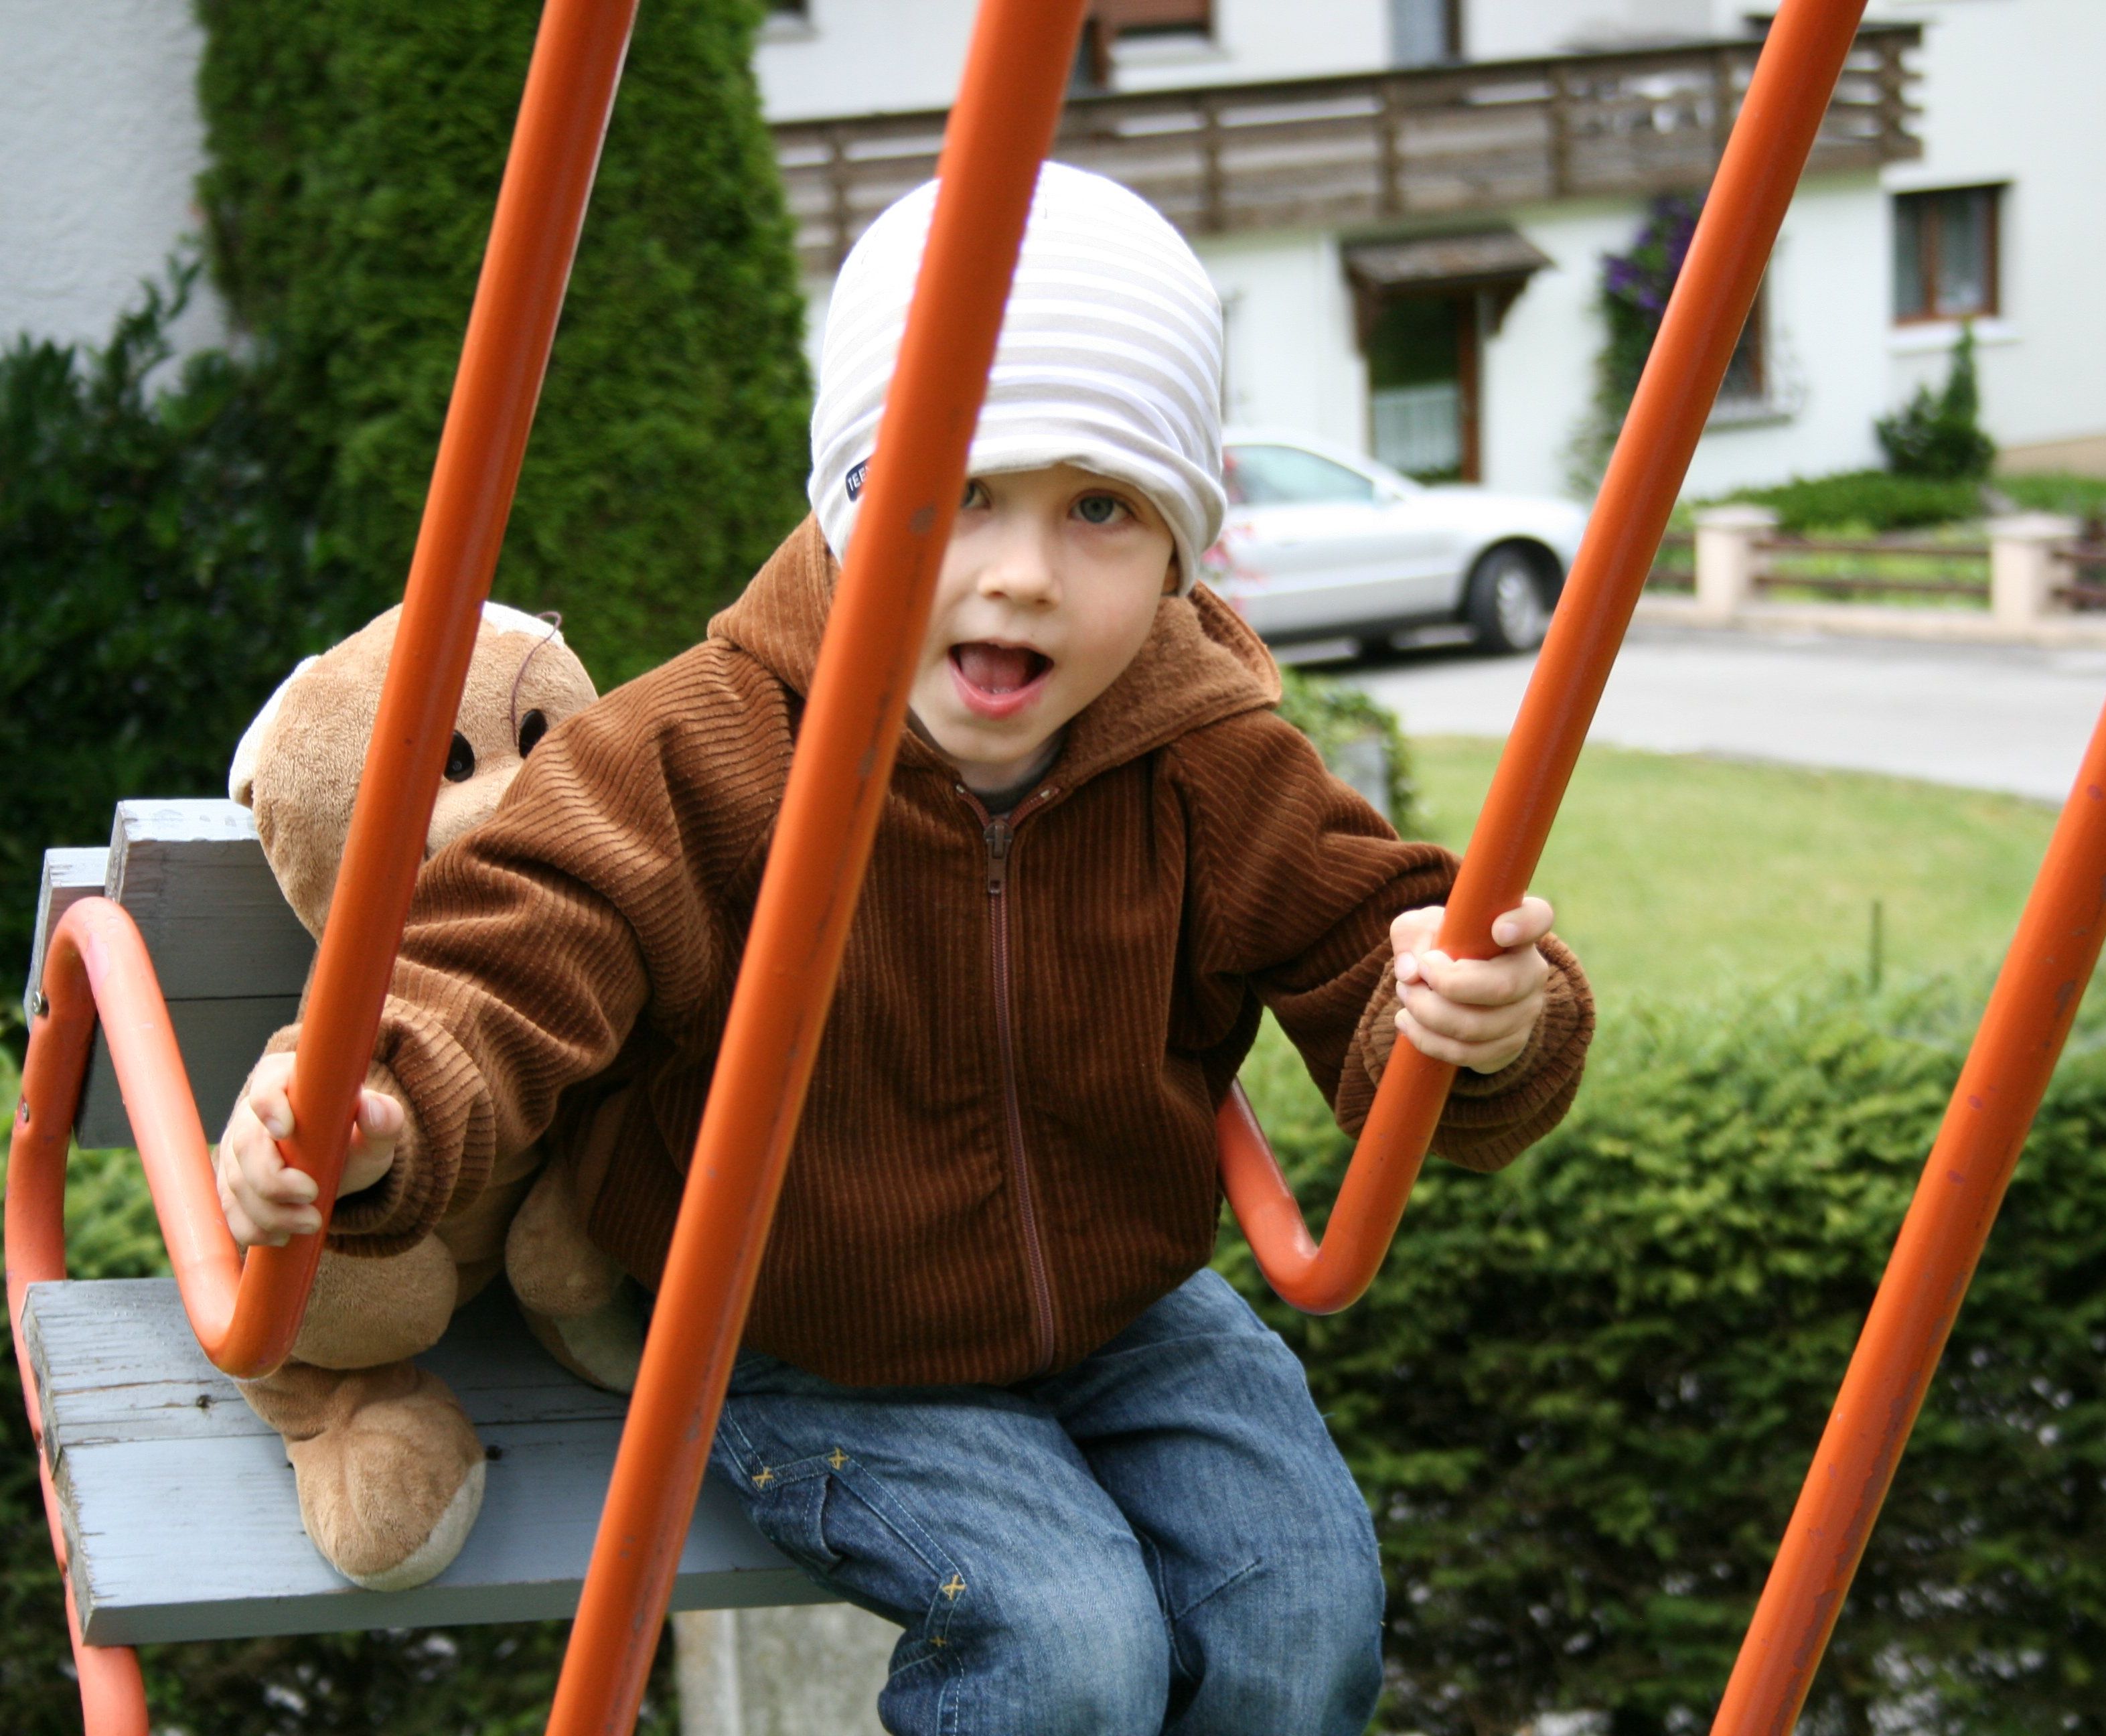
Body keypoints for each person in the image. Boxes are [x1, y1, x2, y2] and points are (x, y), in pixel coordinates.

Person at [216, 163, 1594, 1734]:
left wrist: (1476, 1014)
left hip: (1129, 1307)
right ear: (849, 499)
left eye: (1100, 507)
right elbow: (509, 958)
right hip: (806, 1329)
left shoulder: (1206, 754)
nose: (1019, 570)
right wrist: (372, 1105)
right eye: (961, 490)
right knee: (1074, 1652)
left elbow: (1370, 934)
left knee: (1302, 1619)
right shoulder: (701, 753)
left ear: (1179, 546)